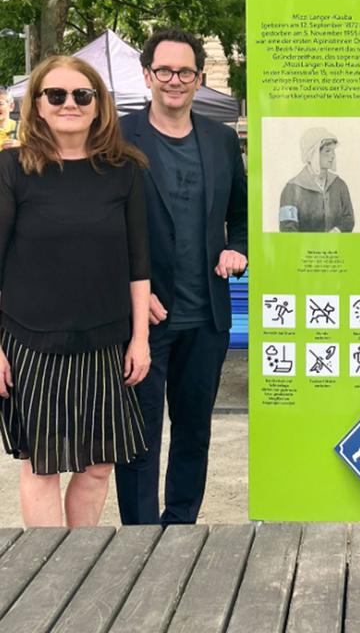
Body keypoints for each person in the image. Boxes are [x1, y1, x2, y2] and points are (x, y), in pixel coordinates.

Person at [0, 56, 150, 527]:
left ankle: (81, 562)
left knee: (99, 464)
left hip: (105, 341)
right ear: (38, 106)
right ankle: (50, 572)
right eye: (56, 95)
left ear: (99, 105)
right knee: (41, 464)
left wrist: (140, 337)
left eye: (82, 95)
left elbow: (139, 264)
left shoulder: (124, 170)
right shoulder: (11, 168)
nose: (70, 104)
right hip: (31, 341)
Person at [114, 27, 247, 526]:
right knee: (139, 434)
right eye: (165, 70)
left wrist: (237, 250)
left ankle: (181, 525)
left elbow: (241, 211)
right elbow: (101, 223)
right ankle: (140, 534)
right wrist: (128, 293)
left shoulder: (219, 139)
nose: (174, 79)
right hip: (143, 320)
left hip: (207, 317)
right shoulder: (120, 137)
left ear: (198, 78)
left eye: (184, 71)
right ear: (147, 75)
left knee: (194, 431)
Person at [279, 127, 354, 232]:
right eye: (327, 151)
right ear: (312, 154)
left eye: (333, 151)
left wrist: (337, 231)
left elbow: (349, 219)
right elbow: (287, 229)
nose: (332, 155)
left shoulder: (339, 185)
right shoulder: (290, 189)